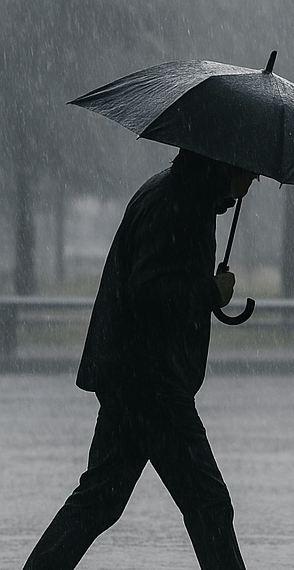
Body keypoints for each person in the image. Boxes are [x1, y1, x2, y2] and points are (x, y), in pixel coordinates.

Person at [24, 149, 258, 570]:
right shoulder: (176, 205)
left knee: (99, 500)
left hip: (132, 377)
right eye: (249, 176)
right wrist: (210, 293)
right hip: (153, 383)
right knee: (209, 505)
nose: (249, 187)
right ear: (227, 165)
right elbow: (147, 293)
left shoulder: (180, 195)